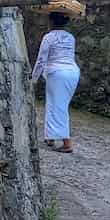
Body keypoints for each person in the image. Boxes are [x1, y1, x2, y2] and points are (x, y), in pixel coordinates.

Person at [31, 12, 80, 153]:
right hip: (72, 72)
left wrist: (33, 79)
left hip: (57, 73)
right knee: (54, 103)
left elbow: (41, 60)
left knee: (58, 106)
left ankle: (67, 143)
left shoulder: (49, 37)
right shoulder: (70, 38)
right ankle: (51, 137)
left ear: (51, 22)